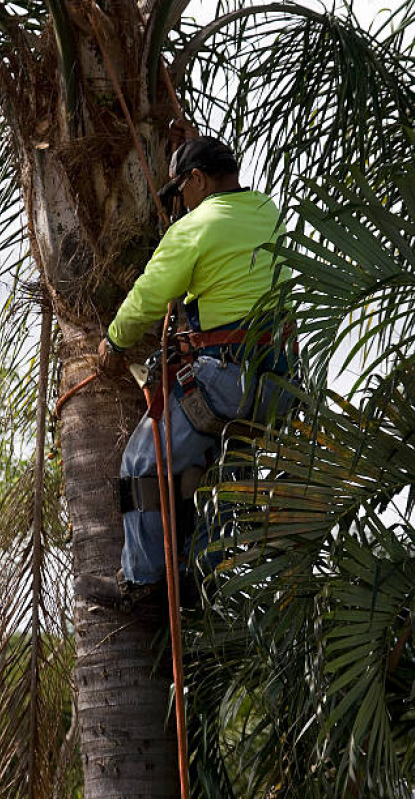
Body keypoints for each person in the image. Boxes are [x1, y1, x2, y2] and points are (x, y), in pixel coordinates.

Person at [75, 136, 294, 611]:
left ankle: (144, 580)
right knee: (219, 475)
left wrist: (113, 343)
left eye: (181, 191)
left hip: (227, 383)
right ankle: (201, 578)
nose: (180, 203)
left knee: (141, 463)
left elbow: (149, 296)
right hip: (280, 385)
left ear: (197, 179)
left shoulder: (196, 227)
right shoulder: (268, 211)